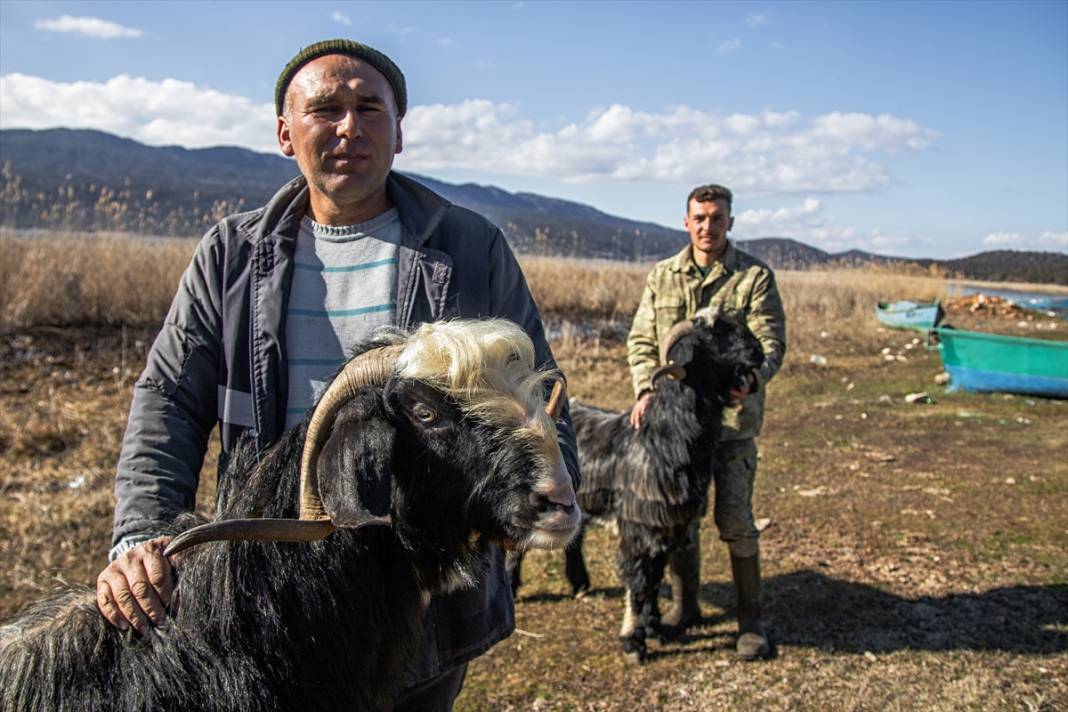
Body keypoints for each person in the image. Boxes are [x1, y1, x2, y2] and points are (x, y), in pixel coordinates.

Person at [94, 38, 580, 710]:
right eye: (325, 109)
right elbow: (169, 400)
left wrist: (552, 487)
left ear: (399, 132)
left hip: (423, 591)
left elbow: (539, 393)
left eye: (369, 108)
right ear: (285, 134)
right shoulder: (232, 256)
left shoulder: (467, 248)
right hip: (266, 586)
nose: (349, 126)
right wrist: (140, 533)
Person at [626, 184, 786, 660]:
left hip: (732, 424)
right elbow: (640, 341)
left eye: (717, 218)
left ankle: (751, 622)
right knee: (680, 523)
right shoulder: (663, 275)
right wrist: (645, 388)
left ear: (730, 222)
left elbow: (770, 342)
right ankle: (685, 605)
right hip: (675, 431)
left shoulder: (754, 277)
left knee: (736, 520)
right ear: (686, 221)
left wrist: (753, 380)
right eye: (699, 217)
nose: (707, 226)